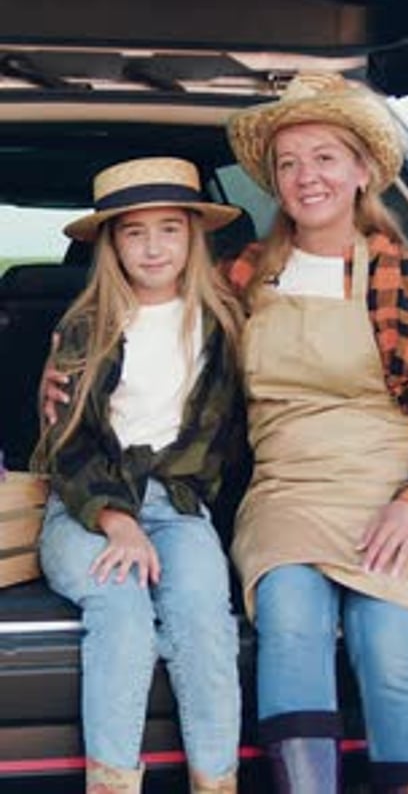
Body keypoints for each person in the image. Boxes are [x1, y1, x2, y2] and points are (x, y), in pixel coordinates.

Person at [223, 72, 408, 794]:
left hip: (397, 495)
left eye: (323, 157)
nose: (305, 176)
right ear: (272, 181)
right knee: (290, 621)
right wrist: (67, 374)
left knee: (386, 642)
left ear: (361, 171)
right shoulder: (245, 277)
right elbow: (152, 331)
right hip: (288, 492)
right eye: (288, 162)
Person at [32, 156, 246, 794]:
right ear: (111, 245)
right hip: (83, 507)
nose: (153, 247)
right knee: (122, 609)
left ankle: (217, 782)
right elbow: (65, 449)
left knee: (206, 618)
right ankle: (114, 785)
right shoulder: (84, 327)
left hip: (178, 503)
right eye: (133, 232)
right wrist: (118, 522)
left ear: (193, 237)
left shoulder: (222, 323)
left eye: (170, 229)